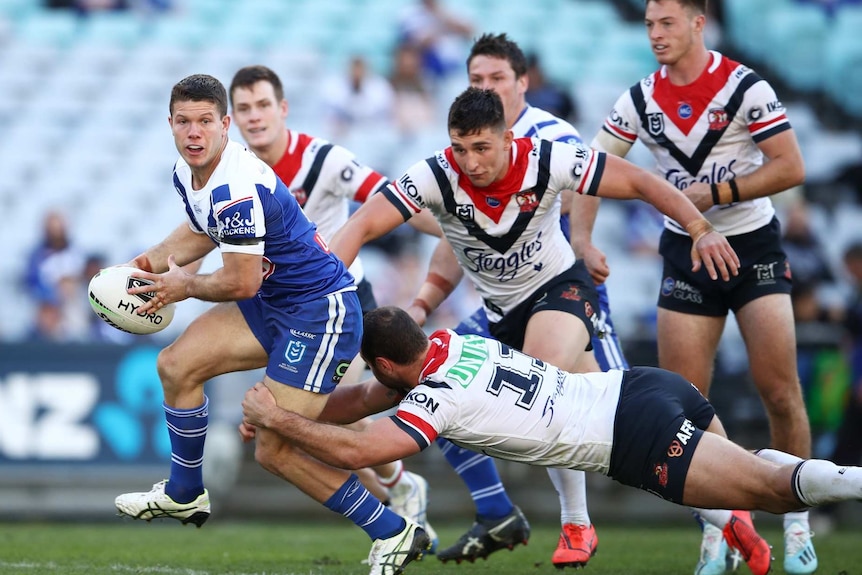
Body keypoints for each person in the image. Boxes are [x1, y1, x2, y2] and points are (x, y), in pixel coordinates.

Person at [326, 85, 740, 564]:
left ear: (507, 139)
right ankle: (730, 518)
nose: (471, 162)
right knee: (595, 428)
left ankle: (576, 525)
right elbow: (361, 225)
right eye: (460, 149)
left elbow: (640, 182)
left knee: (541, 396)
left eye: (482, 148)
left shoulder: (547, 159)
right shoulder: (436, 174)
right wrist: (322, 290)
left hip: (560, 290)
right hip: (500, 317)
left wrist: (701, 229)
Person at [240, 306, 862, 575]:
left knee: (776, 492)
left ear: (381, 363)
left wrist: (278, 421)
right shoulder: (454, 344)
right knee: (755, 473)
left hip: (634, 437)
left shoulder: (436, 398)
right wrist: (294, 407)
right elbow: (364, 402)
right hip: (643, 386)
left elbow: (357, 451)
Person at [111, 74, 430, 575]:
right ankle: (185, 493)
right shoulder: (187, 170)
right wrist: (142, 267)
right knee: (176, 365)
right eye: (182, 121)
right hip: (275, 302)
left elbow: (240, 282)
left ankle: (393, 530)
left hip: (318, 312)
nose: (193, 132)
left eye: (204, 122)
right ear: (169, 124)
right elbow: (199, 231)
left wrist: (182, 287)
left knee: (274, 448)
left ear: (225, 126)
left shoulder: (235, 185)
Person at [581, 1, 815, 573]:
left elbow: (790, 167)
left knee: (779, 390)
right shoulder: (638, 99)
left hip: (752, 247)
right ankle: (720, 531)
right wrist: (583, 240)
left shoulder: (742, 86)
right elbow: (590, 170)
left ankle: (799, 520)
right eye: (649, 25)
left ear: (697, 22)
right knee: (685, 405)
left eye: (667, 23)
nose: (656, 34)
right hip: (685, 253)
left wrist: (715, 197)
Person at [401, 33, 632, 568]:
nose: (487, 87)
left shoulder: (550, 136)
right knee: (434, 380)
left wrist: (584, 243)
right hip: (501, 302)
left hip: (562, 290)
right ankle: (498, 510)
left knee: (611, 415)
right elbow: (455, 234)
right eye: (477, 79)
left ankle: (717, 512)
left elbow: (595, 184)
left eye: (497, 78)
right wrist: (421, 302)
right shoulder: (463, 150)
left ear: (522, 82)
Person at [227, 64, 438, 545]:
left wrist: (452, 232)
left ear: (282, 109)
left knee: (318, 421)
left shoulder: (324, 160)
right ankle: (395, 495)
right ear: (233, 118)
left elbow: (392, 199)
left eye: (263, 105)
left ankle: (400, 491)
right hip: (275, 309)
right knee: (305, 434)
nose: (254, 117)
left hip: (335, 305)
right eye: (244, 108)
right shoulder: (231, 172)